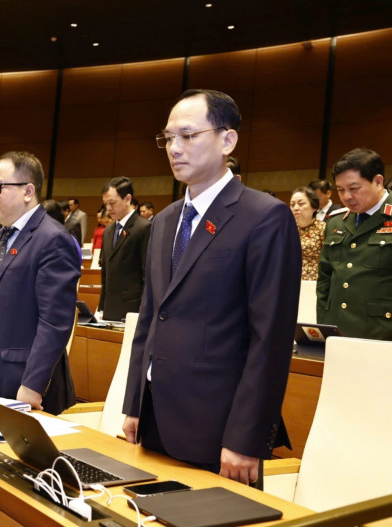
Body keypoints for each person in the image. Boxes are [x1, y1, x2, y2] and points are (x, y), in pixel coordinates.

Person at [123, 89, 301, 485]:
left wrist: (246, 438)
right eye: (168, 138)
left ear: (227, 140)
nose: (174, 148)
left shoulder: (264, 217)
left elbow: (270, 339)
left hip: (220, 431)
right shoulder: (164, 221)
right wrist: (134, 403)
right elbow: (152, 317)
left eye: (188, 135)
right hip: (155, 419)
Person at [0, 151, 80, 415]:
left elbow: (55, 322)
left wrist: (33, 384)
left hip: (23, 383)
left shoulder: (53, 239)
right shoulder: (0, 236)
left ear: (28, 191)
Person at [317, 147, 392, 341]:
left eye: (354, 188)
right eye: (340, 190)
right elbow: (325, 280)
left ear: (378, 181)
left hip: (381, 335)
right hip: (338, 333)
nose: (346, 196)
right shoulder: (336, 222)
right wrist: (324, 326)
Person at [97, 177, 151, 321]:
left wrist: (142, 313)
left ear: (127, 199)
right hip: (109, 310)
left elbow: (147, 276)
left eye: (112, 203)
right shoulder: (108, 231)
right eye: (105, 204)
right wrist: (101, 307)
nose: (108, 208)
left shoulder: (144, 227)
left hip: (132, 310)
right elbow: (106, 274)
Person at [289, 186, 325, 281]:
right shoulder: (287, 229)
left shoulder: (322, 228)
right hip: (290, 279)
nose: (295, 208)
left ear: (314, 207)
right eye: (292, 205)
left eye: (301, 204)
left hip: (315, 280)